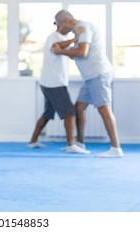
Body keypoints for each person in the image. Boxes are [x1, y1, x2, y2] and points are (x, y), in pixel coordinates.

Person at [52, 9, 123, 158]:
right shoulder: (78, 32)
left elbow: (82, 52)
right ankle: (80, 143)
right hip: (90, 77)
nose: (59, 29)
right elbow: (79, 54)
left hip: (98, 74)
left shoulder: (82, 27)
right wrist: (68, 49)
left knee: (104, 109)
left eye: (58, 25)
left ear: (65, 22)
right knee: (79, 107)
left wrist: (62, 51)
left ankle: (116, 148)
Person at [28, 25, 90, 154]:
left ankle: (33, 141)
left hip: (50, 82)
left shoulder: (63, 38)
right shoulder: (53, 36)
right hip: (54, 83)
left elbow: (68, 52)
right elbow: (57, 46)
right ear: (62, 23)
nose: (72, 26)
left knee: (47, 113)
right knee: (70, 113)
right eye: (69, 22)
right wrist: (77, 38)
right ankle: (71, 145)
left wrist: (75, 44)